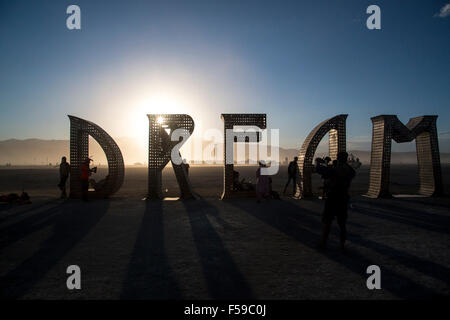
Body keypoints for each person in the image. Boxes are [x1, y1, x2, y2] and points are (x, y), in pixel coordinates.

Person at [315, 151, 355, 251]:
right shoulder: (349, 170)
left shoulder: (336, 169)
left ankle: (323, 243)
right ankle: (342, 245)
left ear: (339, 158)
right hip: (343, 197)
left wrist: (318, 162)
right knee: (342, 224)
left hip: (333, 197)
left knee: (327, 222)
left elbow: (321, 171)